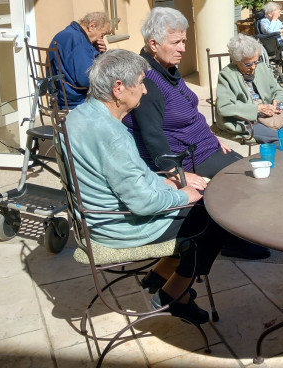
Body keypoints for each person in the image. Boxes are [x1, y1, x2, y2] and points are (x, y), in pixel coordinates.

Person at [65, 49, 226, 324]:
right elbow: (142, 203)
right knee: (214, 218)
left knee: (200, 205)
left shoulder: (80, 115)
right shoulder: (112, 134)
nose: (144, 90)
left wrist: (164, 181)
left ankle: (159, 275)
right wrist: (180, 195)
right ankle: (173, 296)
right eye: (139, 83)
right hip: (116, 226)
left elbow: (128, 176)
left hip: (93, 218)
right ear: (118, 88)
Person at [123, 7, 268, 260]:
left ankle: (241, 232)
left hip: (203, 147)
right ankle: (230, 238)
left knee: (251, 170)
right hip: (186, 158)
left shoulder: (168, 69)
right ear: (153, 44)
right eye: (176, 42)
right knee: (242, 178)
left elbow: (190, 112)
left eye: (184, 41)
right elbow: (153, 136)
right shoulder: (146, 81)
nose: (183, 48)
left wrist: (212, 139)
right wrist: (179, 175)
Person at [215, 34, 283, 144]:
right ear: (235, 60)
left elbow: (278, 91)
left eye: (256, 61)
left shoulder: (262, 68)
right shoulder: (227, 75)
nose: (253, 67)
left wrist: (278, 101)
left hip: (268, 117)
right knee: (280, 140)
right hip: (244, 121)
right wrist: (257, 109)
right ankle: (277, 161)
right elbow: (224, 107)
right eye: (248, 64)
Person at [49, 11, 111, 108]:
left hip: (59, 94)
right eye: (102, 34)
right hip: (73, 98)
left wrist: (97, 51)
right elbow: (86, 79)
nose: (101, 38)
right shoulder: (79, 41)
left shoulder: (67, 33)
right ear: (92, 26)